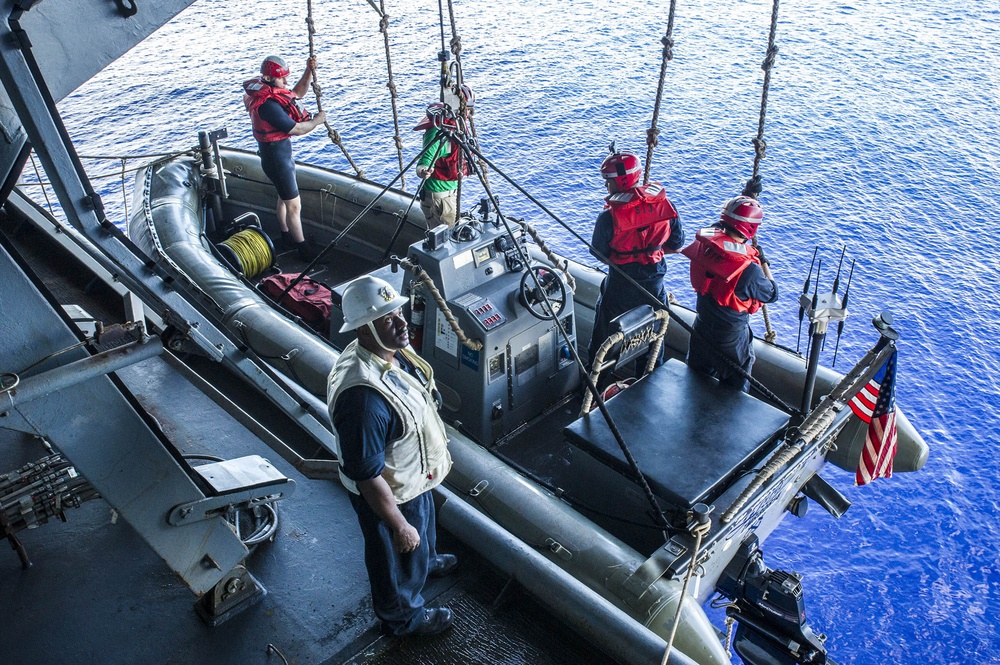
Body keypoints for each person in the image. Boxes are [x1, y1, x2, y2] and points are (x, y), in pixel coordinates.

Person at [326, 275, 458, 637]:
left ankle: (425, 562)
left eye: (398, 311)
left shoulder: (387, 352)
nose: (402, 322)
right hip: (391, 492)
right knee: (395, 553)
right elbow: (367, 475)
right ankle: (402, 617)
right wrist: (398, 525)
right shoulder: (363, 400)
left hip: (414, 476)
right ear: (363, 330)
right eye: (388, 318)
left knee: (424, 528)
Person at [586, 148, 684, 375]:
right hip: (654, 286)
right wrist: (653, 250)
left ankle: (595, 387)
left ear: (619, 182)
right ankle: (647, 386)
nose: (606, 187)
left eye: (608, 181)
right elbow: (677, 242)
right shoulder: (665, 206)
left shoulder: (608, 217)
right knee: (653, 341)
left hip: (619, 287)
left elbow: (598, 253)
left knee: (604, 340)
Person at [682, 195, 778, 392]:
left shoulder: (705, 245)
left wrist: (745, 196)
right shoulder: (749, 270)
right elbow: (772, 293)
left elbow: (719, 227)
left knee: (695, 382)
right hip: (730, 338)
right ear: (752, 229)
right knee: (736, 390)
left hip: (701, 327)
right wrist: (763, 260)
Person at [243, 55, 327, 260]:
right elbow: (297, 129)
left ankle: (286, 234)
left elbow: (297, 93)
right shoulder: (267, 105)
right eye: (282, 79)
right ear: (271, 79)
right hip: (276, 159)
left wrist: (308, 70)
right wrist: (317, 121)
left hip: (277, 157)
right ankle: (303, 249)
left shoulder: (270, 91)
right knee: (294, 205)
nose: (286, 83)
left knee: (283, 197)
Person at [413, 85, 475, 229]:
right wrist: (423, 171)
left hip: (448, 195)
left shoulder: (457, 127)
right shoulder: (439, 132)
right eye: (467, 109)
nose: (469, 114)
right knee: (448, 241)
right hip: (440, 198)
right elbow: (424, 162)